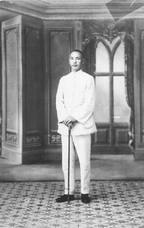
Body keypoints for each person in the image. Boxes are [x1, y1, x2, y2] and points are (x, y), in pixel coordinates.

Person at [56, 49, 97, 204]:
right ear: (69, 60)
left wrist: (75, 117)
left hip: (82, 125)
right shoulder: (63, 80)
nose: (75, 61)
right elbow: (59, 101)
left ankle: (85, 192)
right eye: (72, 58)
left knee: (84, 160)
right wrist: (66, 118)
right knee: (67, 161)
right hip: (66, 126)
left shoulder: (88, 79)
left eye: (78, 58)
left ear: (82, 61)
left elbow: (89, 103)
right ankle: (68, 192)